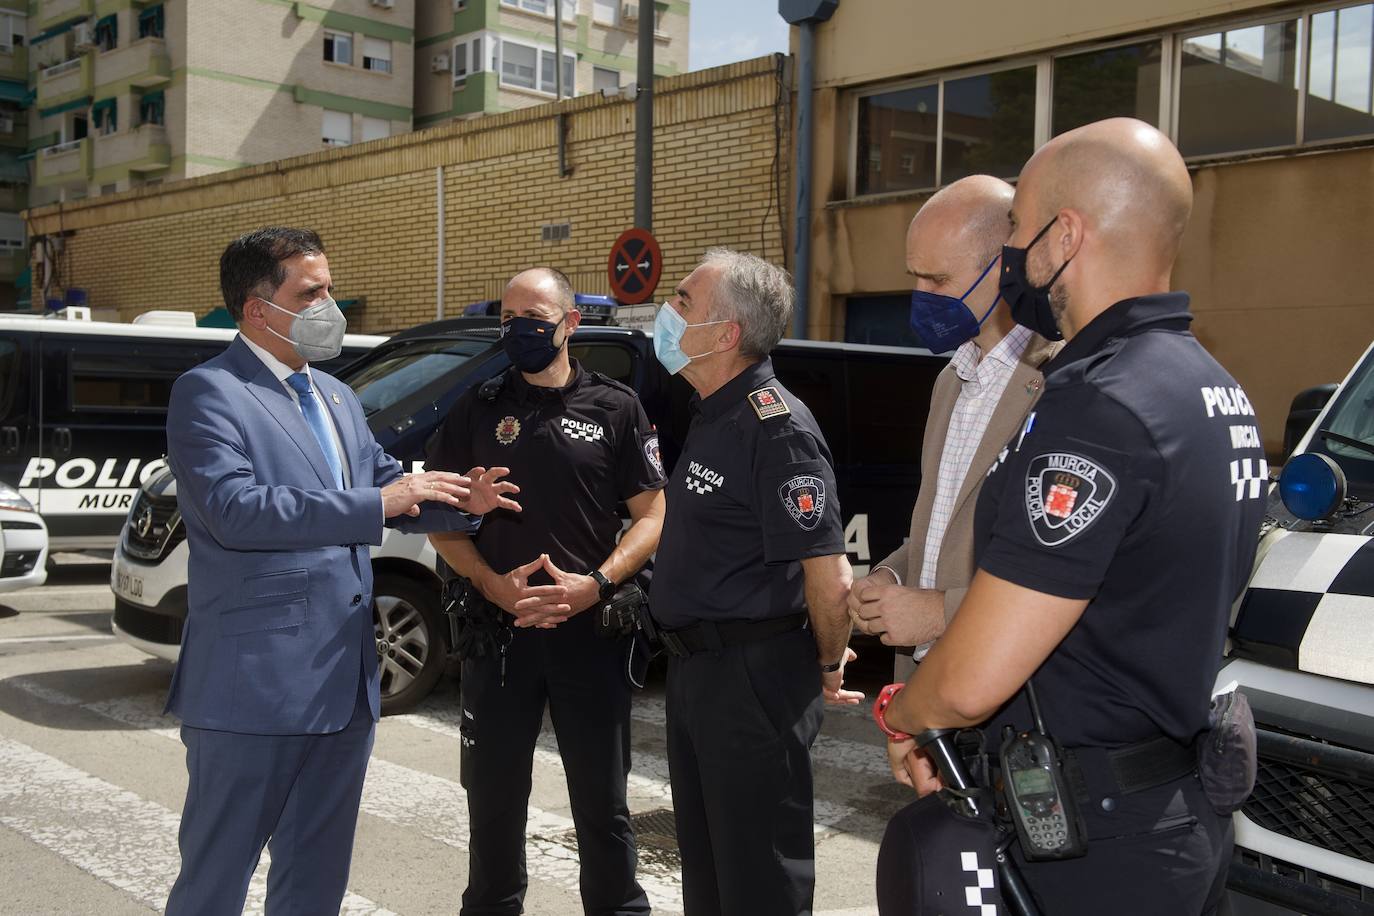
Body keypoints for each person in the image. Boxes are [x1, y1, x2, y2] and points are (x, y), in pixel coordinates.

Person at [873, 118, 1267, 914]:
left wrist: (908, 717)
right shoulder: (1213, 388)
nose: (1012, 257)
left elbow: (974, 678)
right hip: (1170, 814)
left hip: (1093, 838)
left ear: (1065, 236)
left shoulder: (1097, 406)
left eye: (1018, 230)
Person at [163, 228, 520, 916]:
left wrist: (457, 501)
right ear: (257, 308)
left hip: (343, 687)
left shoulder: (333, 394)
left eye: (329, 287)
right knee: (215, 881)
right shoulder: (208, 392)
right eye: (311, 293)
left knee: (315, 881)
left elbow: (384, 482)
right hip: (253, 689)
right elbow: (235, 510)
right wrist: (382, 502)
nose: (330, 305)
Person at [426, 267, 667, 916]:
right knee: (493, 801)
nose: (518, 331)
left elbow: (653, 514)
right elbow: (439, 521)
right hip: (499, 637)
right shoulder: (477, 407)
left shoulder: (616, 407)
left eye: (533, 319)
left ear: (570, 323)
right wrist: (489, 582)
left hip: (589, 636)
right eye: (508, 320)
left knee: (602, 804)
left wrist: (598, 584)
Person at [649, 247, 860, 916]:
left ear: (726, 334)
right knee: (711, 875)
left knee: (759, 881)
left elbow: (828, 576)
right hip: (698, 672)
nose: (667, 310)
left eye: (684, 301)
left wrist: (827, 662)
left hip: (750, 678)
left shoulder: (778, 428)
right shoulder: (714, 412)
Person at [847, 175, 1059, 679]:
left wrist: (943, 612)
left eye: (938, 280)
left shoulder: (1064, 380)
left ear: (1005, 268)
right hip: (924, 685)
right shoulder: (950, 379)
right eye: (915, 277)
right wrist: (889, 575)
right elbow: (940, 531)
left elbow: (1067, 574)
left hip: (1004, 688)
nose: (920, 296)